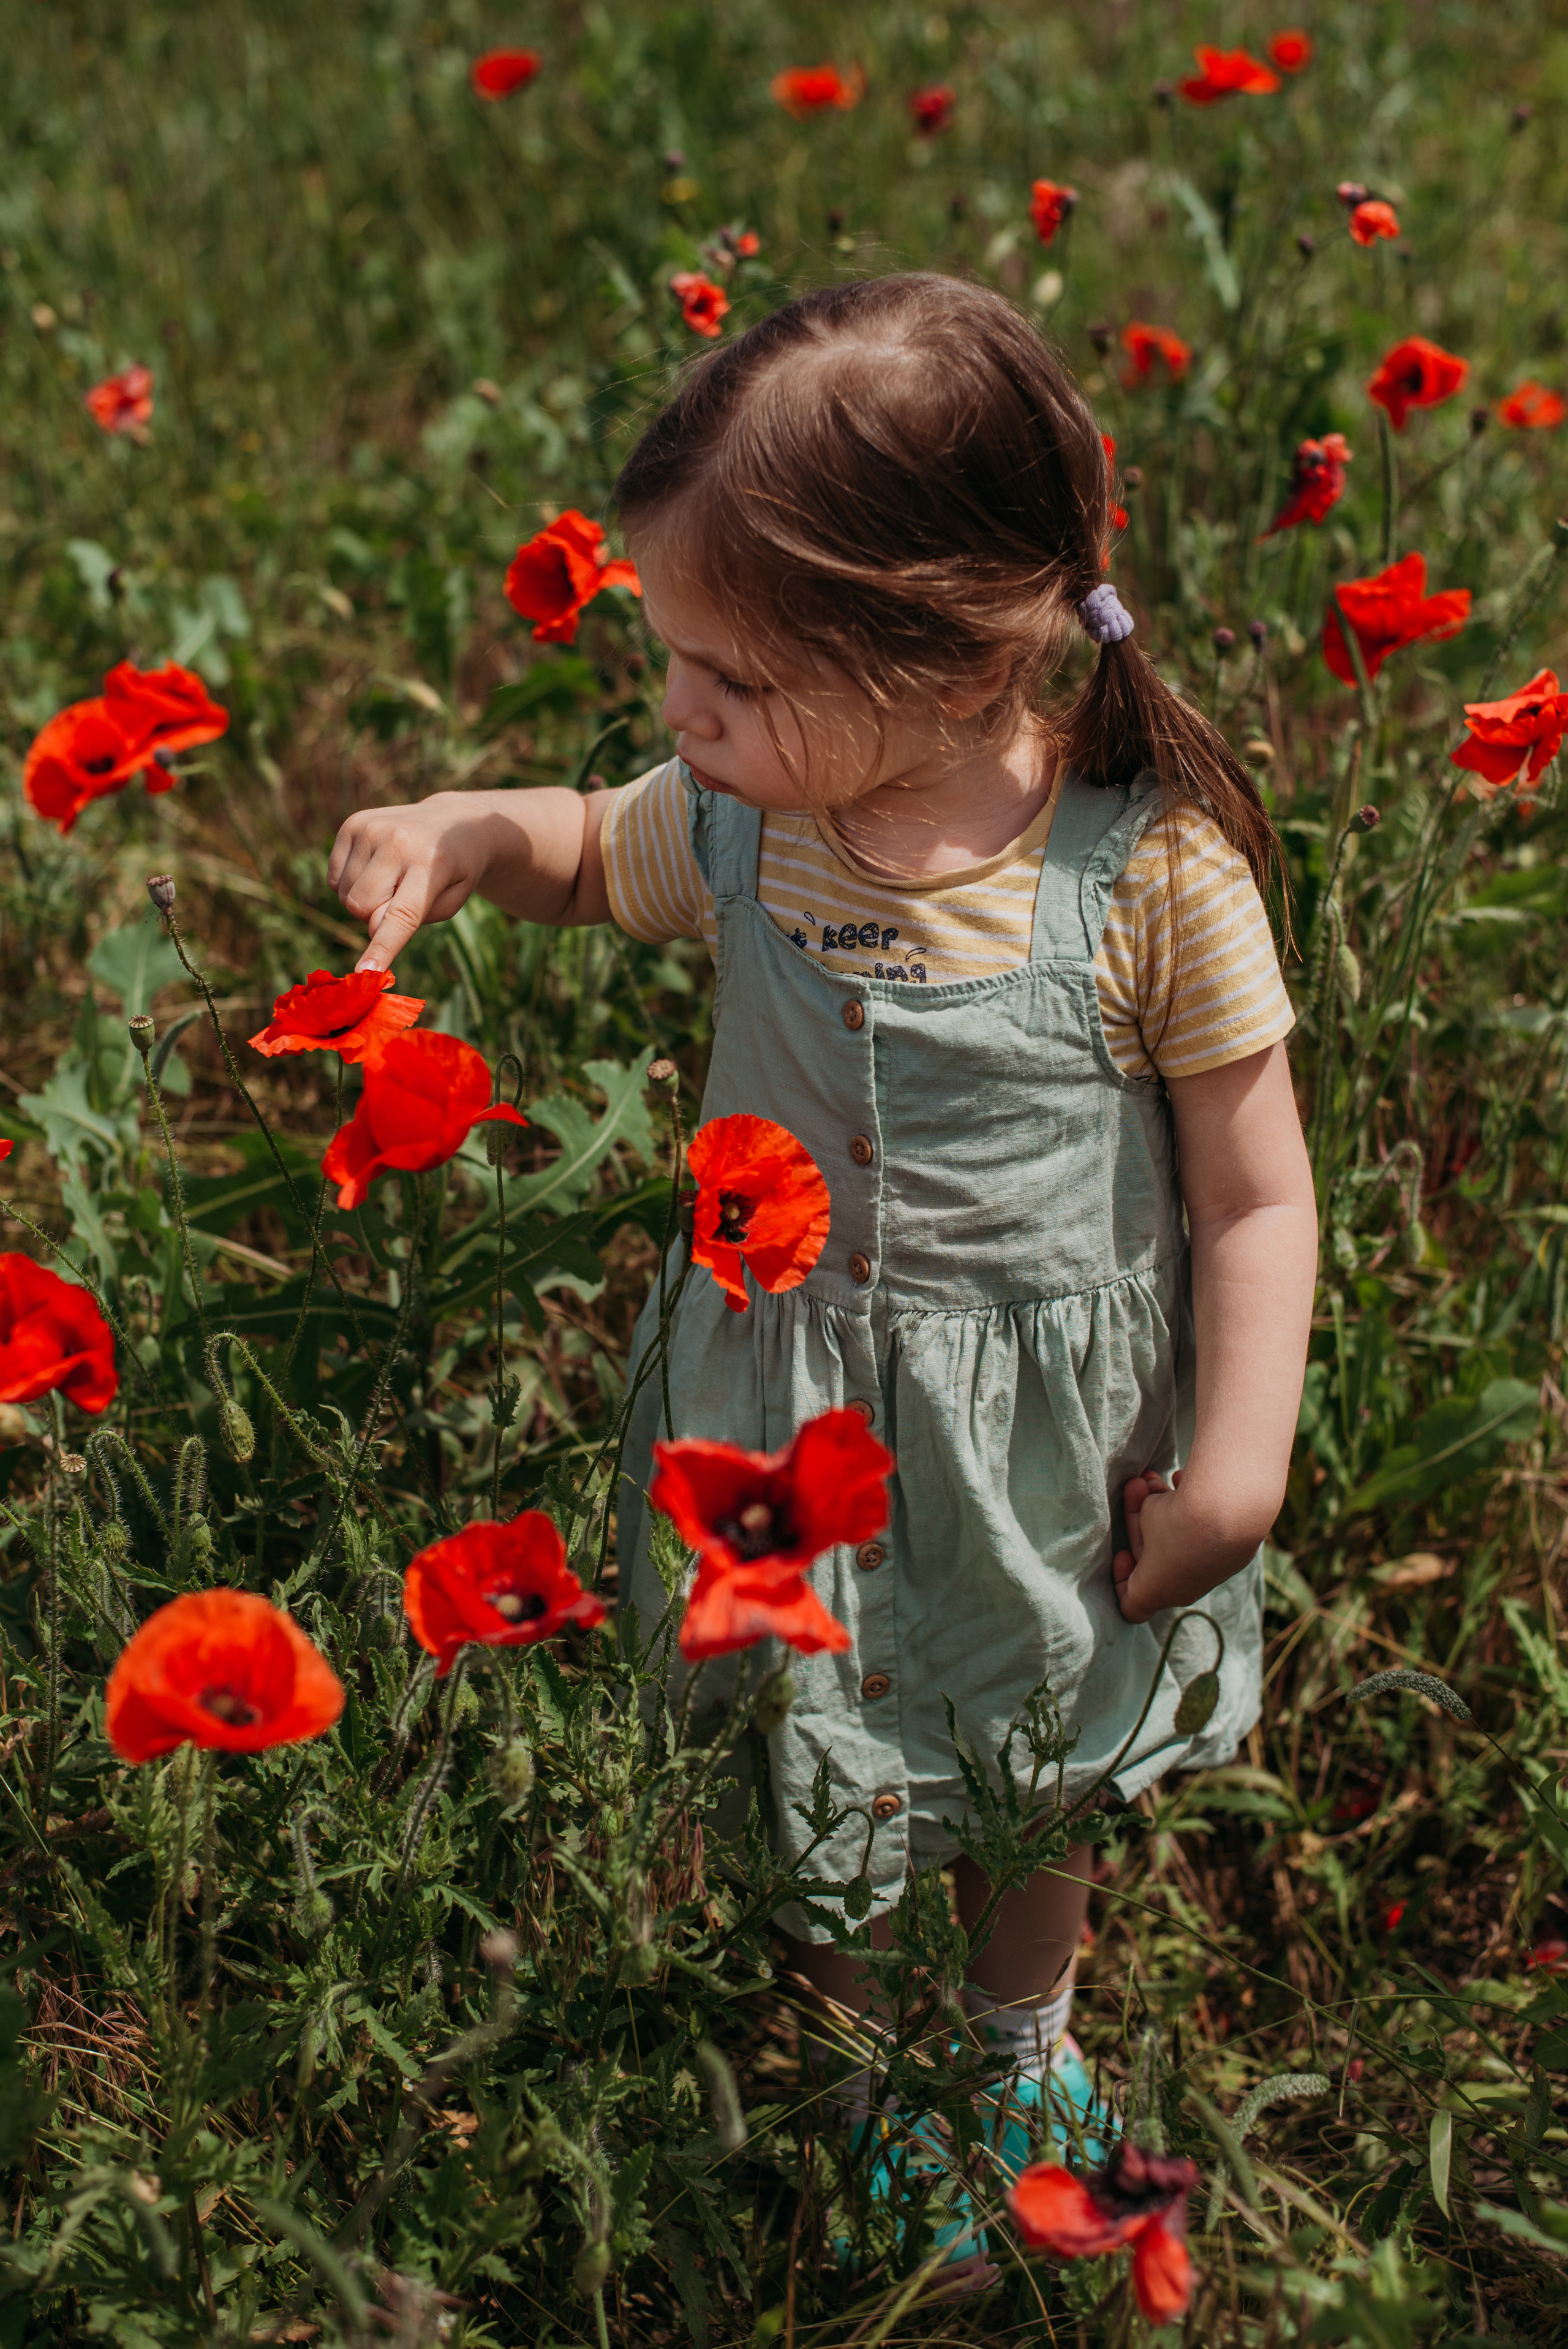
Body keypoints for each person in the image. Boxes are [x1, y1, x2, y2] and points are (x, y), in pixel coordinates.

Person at [328, 273, 1317, 2193]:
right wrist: (461, 828)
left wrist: (1243, 1465)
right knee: (812, 1759)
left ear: (952, 666)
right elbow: (572, 843)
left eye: (737, 678)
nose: (682, 714)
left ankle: (1020, 2043)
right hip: (784, 1423)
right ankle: (863, 2074)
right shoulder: (745, 818)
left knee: (1037, 1778)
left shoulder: (1149, 876)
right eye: (677, 659)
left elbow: (1254, 1192)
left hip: (1043, 1452)